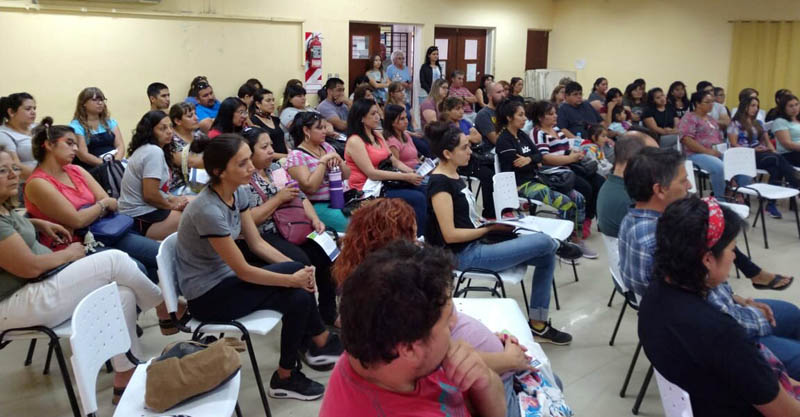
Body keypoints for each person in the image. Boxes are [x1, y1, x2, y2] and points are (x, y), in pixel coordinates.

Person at [176, 133, 343, 400]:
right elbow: (243, 269)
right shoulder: (207, 210)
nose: (251, 167)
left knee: (299, 284)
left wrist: (297, 270)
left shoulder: (237, 192)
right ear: (219, 171)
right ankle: (314, 348)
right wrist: (292, 278)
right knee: (296, 286)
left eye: (248, 160)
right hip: (207, 295)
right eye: (242, 164)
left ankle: (288, 373)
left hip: (227, 279)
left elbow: (256, 244)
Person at [0, 145, 164, 404]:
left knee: (120, 292)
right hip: (16, 302)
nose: (12, 175)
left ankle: (126, 373)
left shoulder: (5, 209)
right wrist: (69, 254)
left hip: (38, 285)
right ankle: (166, 306)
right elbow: (29, 267)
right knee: (114, 260)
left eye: (13, 168)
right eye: (2, 170)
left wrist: (35, 223)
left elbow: (12, 231)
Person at [619, 148, 800, 377]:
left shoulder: (633, 218)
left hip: (695, 318)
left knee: (791, 314)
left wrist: (741, 300)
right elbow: (716, 316)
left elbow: (706, 293)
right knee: (786, 325)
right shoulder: (668, 241)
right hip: (706, 340)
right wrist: (759, 318)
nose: (689, 187)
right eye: (684, 180)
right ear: (660, 190)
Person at [639, 196, 800, 417]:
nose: (734, 256)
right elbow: (787, 413)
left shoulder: (654, 296)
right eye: (732, 249)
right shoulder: (723, 334)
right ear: (707, 260)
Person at [425, 120, 576, 344]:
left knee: (545, 256)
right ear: (447, 153)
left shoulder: (454, 175)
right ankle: (557, 244)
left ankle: (538, 324)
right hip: (462, 256)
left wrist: (489, 225)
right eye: (464, 148)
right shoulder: (440, 184)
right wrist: (489, 228)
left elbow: (467, 220)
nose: (470, 151)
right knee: (544, 243)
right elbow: (451, 235)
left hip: (478, 242)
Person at [320, 240, 507, 417]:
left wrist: (484, 379)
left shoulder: (371, 348)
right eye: (447, 319)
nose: (455, 322)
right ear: (409, 348)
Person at [23, 119, 163, 288]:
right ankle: (132, 308)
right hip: (76, 246)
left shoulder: (76, 170)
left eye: (75, 143)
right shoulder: (38, 183)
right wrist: (101, 206)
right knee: (137, 268)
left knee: (159, 255)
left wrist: (96, 208)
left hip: (105, 232)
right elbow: (77, 220)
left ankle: (156, 306)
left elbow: (112, 202)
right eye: (69, 143)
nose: (75, 148)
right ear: (49, 145)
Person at [240, 128, 337, 327]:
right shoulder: (244, 180)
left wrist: (315, 220)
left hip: (293, 225)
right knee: (300, 263)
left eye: (271, 146)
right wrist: (278, 199)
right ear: (249, 152)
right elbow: (250, 220)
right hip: (265, 234)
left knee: (325, 250)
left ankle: (329, 312)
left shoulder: (275, 169)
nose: (271, 151)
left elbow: (300, 197)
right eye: (264, 147)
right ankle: (311, 329)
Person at [495, 100, 595, 258]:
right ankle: (563, 247)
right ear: (509, 118)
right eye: (520, 115)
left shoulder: (522, 135)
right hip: (520, 185)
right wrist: (533, 160)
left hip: (537, 178)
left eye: (524, 115)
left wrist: (529, 159)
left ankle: (576, 239)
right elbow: (519, 165)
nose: (524, 118)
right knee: (565, 202)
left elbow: (539, 156)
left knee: (579, 198)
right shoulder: (504, 140)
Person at [344, 99, 427, 233]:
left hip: (383, 183)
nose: (378, 117)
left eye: (378, 112)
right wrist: (406, 177)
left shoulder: (377, 135)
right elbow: (371, 173)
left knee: (424, 189)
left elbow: (393, 160)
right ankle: (417, 237)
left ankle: (425, 234)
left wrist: (411, 172)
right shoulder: (355, 141)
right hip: (366, 189)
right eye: (373, 114)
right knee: (417, 198)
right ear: (361, 118)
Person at [534, 100, 605, 239]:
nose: (555, 116)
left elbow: (565, 150)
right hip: (555, 171)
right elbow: (545, 158)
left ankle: (587, 218)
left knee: (600, 181)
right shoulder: (538, 133)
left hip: (569, 165)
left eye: (555, 113)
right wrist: (570, 159)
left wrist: (575, 154)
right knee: (585, 188)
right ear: (540, 117)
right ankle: (577, 223)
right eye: (551, 114)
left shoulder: (557, 131)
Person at [119, 111, 188, 240]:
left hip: (145, 209)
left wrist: (173, 199)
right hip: (139, 217)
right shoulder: (153, 152)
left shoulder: (149, 149)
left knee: (195, 202)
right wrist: (172, 205)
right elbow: (150, 195)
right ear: (150, 131)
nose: (169, 131)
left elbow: (159, 190)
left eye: (170, 126)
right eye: (162, 128)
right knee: (196, 215)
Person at [729, 95, 800, 219]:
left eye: (757, 106)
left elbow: (767, 141)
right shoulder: (735, 123)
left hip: (761, 154)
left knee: (776, 167)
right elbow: (734, 144)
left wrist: (772, 150)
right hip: (745, 155)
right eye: (752, 105)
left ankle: (771, 204)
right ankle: (796, 181)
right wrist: (752, 149)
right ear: (744, 106)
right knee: (775, 159)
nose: (755, 109)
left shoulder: (758, 123)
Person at [286, 112, 350, 233]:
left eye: (325, 127)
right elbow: (310, 187)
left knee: (371, 216)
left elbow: (346, 175)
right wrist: (323, 161)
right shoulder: (297, 155)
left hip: (339, 199)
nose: (324, 131)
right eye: (319, 128)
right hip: (317, 205)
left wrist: (339, 160)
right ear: (306, 130)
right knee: (357, 224)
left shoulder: (326, 147)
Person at [596, 130, 657, 238]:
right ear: (636, 160)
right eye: (654, 157)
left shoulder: (615, 185)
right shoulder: (629, 198)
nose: (658, 163)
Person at [678, 91, 727, 200]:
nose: (711, 104)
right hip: (695, 154)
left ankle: (736, 193)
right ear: (698, 103)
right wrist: (707, 151)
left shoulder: (711, 119)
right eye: (707, 102)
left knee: (736, 163)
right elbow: (686, 139)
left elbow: (719, 137)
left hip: (715, 152)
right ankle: (720, 199)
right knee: (719, 167)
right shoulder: (689, 118)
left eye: (712, 102)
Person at [69, 87, 125, 168]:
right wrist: (105, 165)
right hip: (92, 167)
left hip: (114, 163)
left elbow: (120, 146)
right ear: (84, 103)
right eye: (95, 100)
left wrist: (116, 163)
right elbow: (83, 155)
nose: (100, 103)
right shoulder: (76, 126)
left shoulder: (110, 122)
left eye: (102, 100)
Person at [166, 102, 205, 195]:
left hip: (201, 181)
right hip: (179, 187)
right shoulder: (171, 140)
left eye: (195, 114)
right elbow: (191, 162)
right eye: (190, 116)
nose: (196, 118)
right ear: (178, 121)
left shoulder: (198, 134)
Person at [0, 93, 37, 179]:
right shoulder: (3, 134)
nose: (33, 112)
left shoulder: (38, 127)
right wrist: (46, 178)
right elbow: (15, 165)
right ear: (11, 112)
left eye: (34, 108)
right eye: (28, 109)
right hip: (25, 182)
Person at [249, 88, 290, 159]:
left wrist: (290, 154)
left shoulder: (275, 119)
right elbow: (262, 150)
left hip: (285, 159)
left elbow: (283, 141)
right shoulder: (253, 121)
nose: (272, 103)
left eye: (273, 100)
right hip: (270, 161)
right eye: (268, 101)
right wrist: (287, 157)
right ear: (258, 104)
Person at [383, 104, 420, 169]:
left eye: (406, 118)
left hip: (418, 168)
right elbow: (396, 167)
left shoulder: (406, 135)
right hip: (407, 174)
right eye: (402, 119)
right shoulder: (392, 142)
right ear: (392, 122)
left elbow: (415, 158)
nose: (406, 121)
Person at [771, 93, 800, 167]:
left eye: (797, 104)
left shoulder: (798, 119)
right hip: (789, 155)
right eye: (791, 106)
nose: (795, 108)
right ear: (784, 108)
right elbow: (787, 144)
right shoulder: (780, 121)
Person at [475, 82, 506, 148]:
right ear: (489, 96)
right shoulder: (484, 114)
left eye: (503, 91)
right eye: (499, 92)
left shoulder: (504, 111)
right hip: (491, 151)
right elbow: (496, 141)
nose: (503, 95)